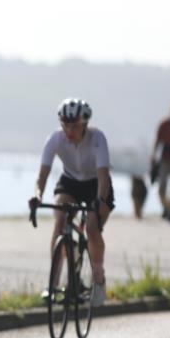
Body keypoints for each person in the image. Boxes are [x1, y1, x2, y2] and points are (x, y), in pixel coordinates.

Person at [29, 98, 114, 306]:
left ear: (84, 124)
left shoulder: (97, 138)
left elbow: (103, 175)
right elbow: (42, 175)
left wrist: (101, 200)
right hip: (70, 183)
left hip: (96, 184)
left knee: (93, 229)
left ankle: (99, 280)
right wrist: (38, 195)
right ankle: (53, 285)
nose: (69, 130)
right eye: (64, 125)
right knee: (60, 222)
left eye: (74, 125)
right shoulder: (55, 139)